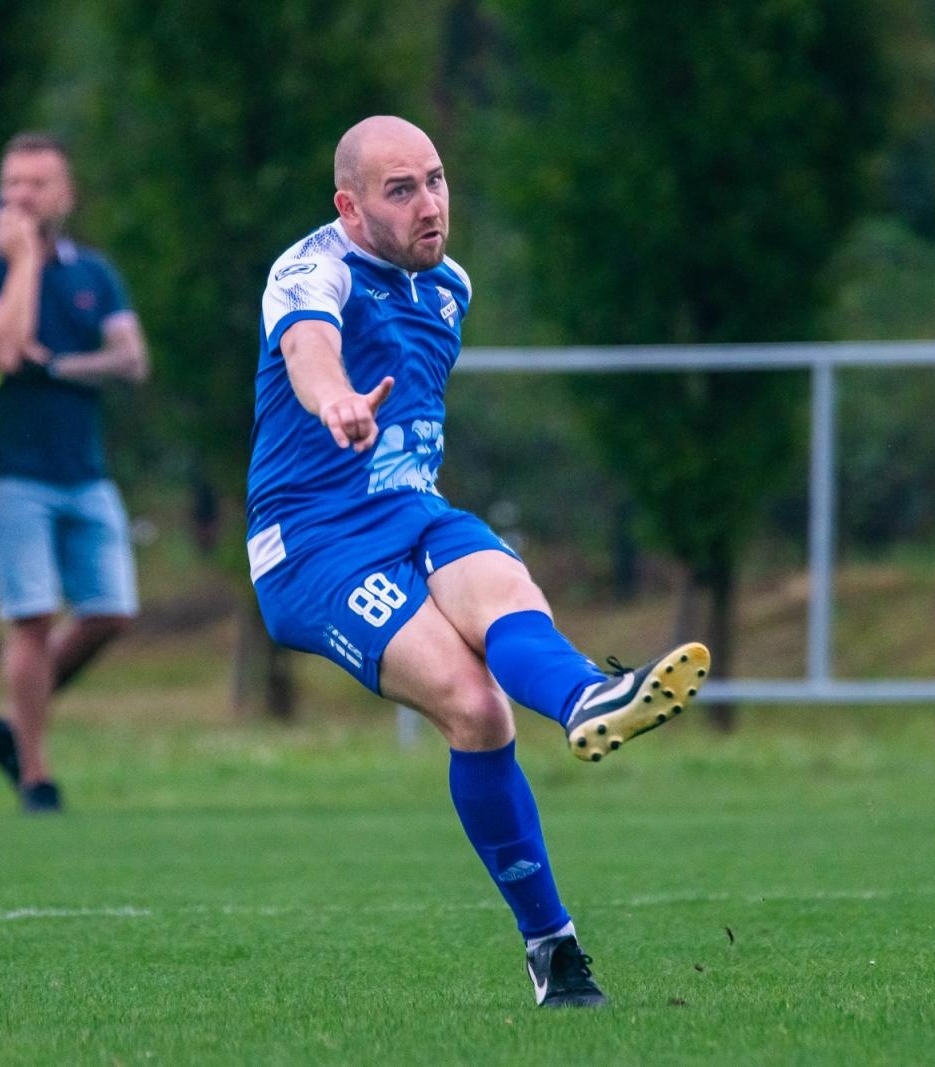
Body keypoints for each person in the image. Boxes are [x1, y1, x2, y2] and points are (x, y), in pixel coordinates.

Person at [247, 116, 709, 1009]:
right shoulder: (311, 270)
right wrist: (335, 399)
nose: (431, 205)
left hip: (410, 510)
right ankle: (552, 942)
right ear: (349, 207)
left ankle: (585, 701)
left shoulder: (450, 286)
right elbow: (310, 347)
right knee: (473, 702)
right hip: (311, 543)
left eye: (437, 180)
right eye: (401, 190)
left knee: (501, 586)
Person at [0, 132, 150, 814]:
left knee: (111, 613)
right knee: (31, 619)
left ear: (65, 194)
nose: (21, 196)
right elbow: (1, 348)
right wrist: (23, 260)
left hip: (84, 469)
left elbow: (130, 359)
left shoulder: (95, 273)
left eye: (36, 184)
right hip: (9, 471)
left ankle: (9, 724)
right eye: (12, 184)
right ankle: (35, 773)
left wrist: (58, 364)